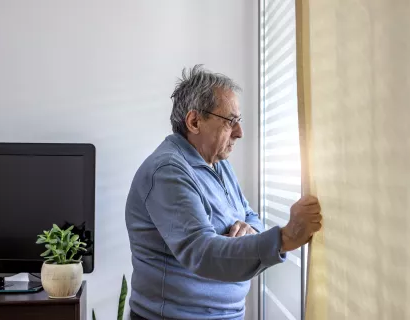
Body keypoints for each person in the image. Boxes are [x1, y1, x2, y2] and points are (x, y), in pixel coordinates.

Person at [125, 65, 322, 320]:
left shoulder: (219, 163)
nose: (239, 132)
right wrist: (286, 238)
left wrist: (248, 228)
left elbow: (250, 216)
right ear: (194, 122)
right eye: (231, 121)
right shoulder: (167, 172)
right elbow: (202, 253)